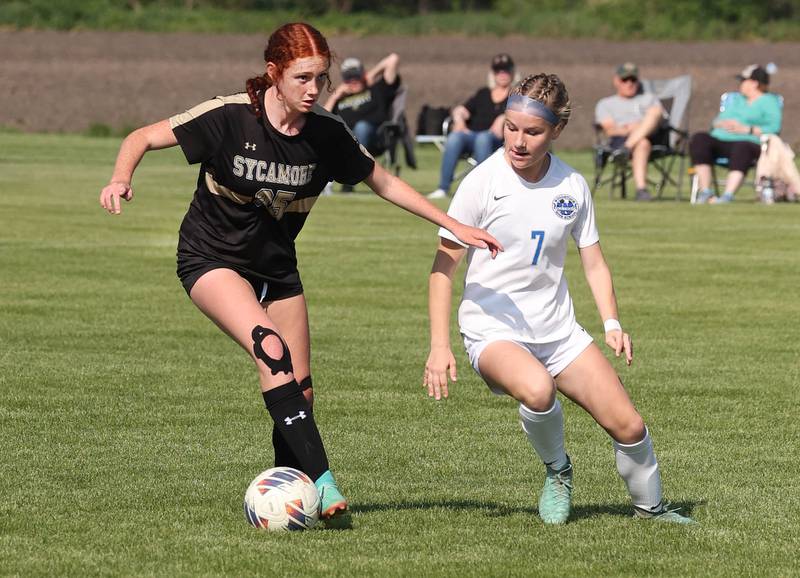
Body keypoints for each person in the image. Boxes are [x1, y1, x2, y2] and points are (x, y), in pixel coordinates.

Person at [99, 22, 501, 526]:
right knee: (270, 349)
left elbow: (385, 182)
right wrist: (120, 178)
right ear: (274, 74)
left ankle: (284, 493)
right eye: (303, 78)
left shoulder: (327, 133)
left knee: (301, 391)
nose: (314, 90)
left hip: (277, 269)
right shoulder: (228, 118)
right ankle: (324, 482)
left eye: (321, 79)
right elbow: (142, 136)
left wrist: (454, 223)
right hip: (210, 259)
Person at [423, 73, 695, 525]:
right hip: (492, 330)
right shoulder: (480, 183)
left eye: (533, 132)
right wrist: (438, 345)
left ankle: (652, 510)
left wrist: (611, 324)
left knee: (629, 426)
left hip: (558, 331)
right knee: (537, 389)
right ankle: (558, 472)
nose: (519, 141)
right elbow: (442, 270)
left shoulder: (572, 186)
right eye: (511, 128)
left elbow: (594, 262)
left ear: (556, 132)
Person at [690, 64, 783, 204]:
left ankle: (727, 195)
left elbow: (774, 128)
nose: (741, 84)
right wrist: (723, 124)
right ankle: (705, 192)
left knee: (742, 148)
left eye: (743, 80)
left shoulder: (769, 102)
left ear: (754, 83)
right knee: (699, 139)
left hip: (749, 143)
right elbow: (716, 122)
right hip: (722, 139)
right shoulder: (737, 100)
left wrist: (747, 129)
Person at [427, 53, 515, 199]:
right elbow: (462, 110)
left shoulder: (515, 94)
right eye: (498, 70)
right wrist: (459, 118)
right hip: (472, 134)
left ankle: (480, 190)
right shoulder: (483, 93)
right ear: (493, 73)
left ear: (512, 72)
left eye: (506, 70)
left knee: (483, 138)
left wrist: (503, 117)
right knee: (455, 137)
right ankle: (443, 188)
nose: (502, 74)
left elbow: (519, 115)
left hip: (495, 139)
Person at [595, 62, 664, 201]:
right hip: (619, 140)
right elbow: (610, 130)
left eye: (633, 80)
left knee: (654, 113)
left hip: (652, 137)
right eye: (625, 80)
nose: (629, 83)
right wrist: (629, 128)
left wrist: (638, 128)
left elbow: (657, 117)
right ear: (616, 81)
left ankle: (626, 149)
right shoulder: (606, 103)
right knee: (642, 143)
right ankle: (641, 190)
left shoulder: (649, 98)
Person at [324, 53, 401, 154]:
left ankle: (355, 163)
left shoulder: (376, 89)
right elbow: (322, 120)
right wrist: (334, 97)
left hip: (374, 137)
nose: (353, 80)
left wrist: (372, 74)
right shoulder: (339, 99)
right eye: (348, 77)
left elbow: (393, 59)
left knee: (362, 127)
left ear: (363, 74)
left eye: (356, 75)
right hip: (345, 139)